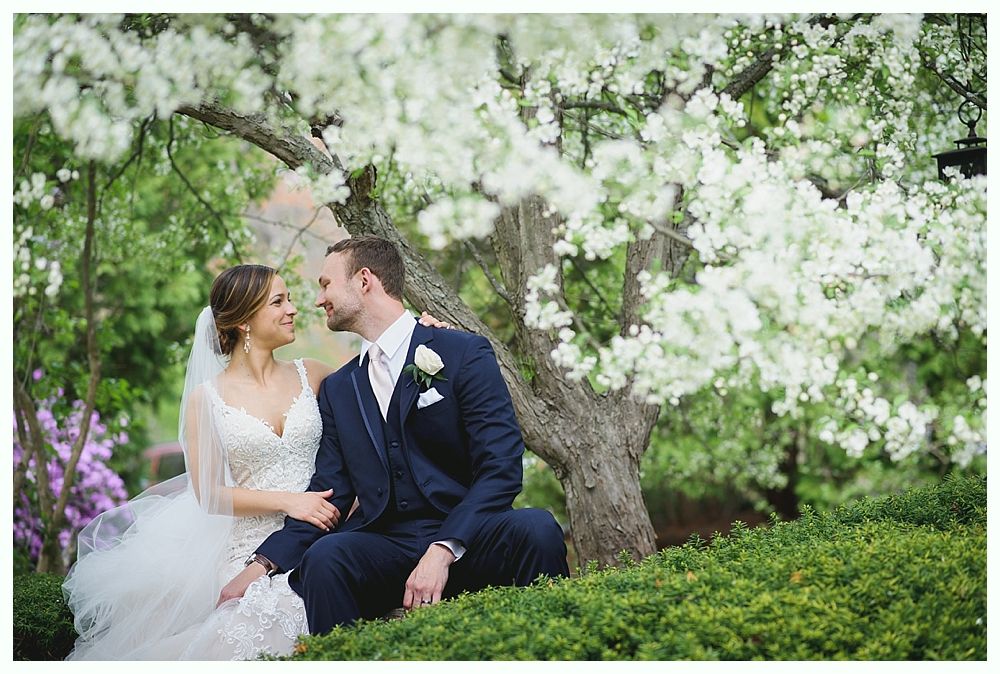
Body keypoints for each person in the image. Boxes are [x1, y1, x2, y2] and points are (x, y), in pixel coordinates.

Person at [62, 262, 449, 660]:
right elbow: (210, 495)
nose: (293, 309)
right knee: (255, 626)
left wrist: (424, 341)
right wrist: (289, 500)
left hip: (324, 535)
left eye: (290, 299)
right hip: (250, 544)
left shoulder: (314, 375)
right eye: (278, 301)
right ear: (245, 320)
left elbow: (382, 391)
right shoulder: (206, 399)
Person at [220, 236, 569, 634]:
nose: (318, 300)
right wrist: (262, 564)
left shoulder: (462, 353)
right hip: (387, 546)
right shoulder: (340, 387)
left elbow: (502, 467)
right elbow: (329, 492)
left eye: (326, 284)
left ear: (364, 280)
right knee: (326, 558)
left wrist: (443, 550)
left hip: (469, 537)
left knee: (537, 529)